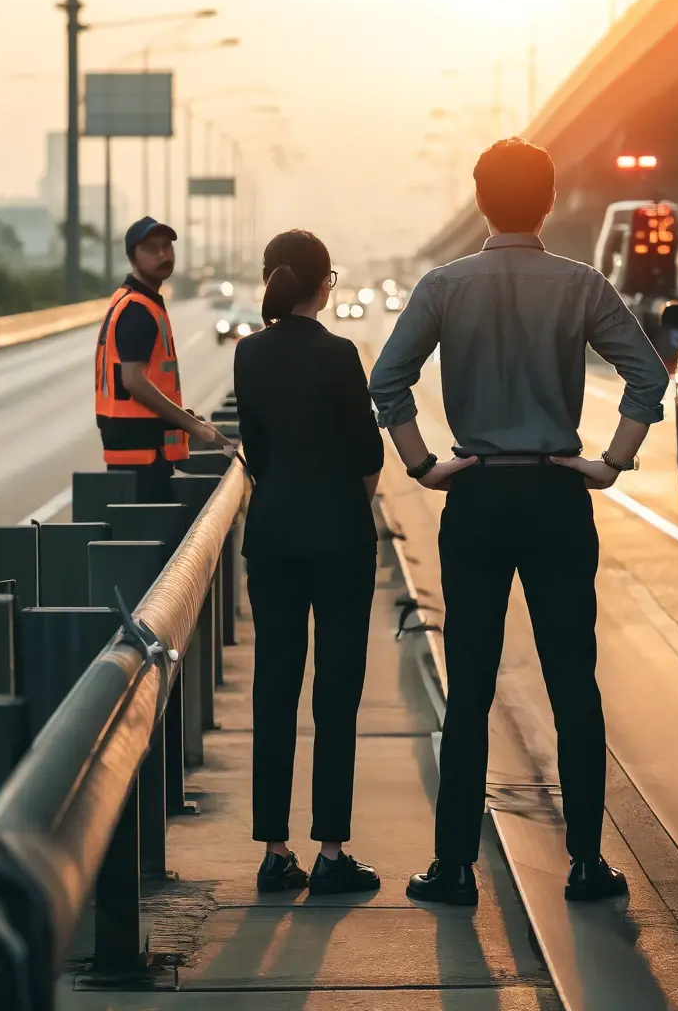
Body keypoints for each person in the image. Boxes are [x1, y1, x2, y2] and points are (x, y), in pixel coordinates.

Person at [369, 137, 670, 906]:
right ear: (547, 201)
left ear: (479, 199)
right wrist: (612, 462)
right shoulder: (581, 285)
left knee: (467, 684)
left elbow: (388, 381)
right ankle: (585, 865)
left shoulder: (444, 285)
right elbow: (647, 375)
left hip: (475, 497)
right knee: (574, 681)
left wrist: (422, 466)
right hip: (556, 497)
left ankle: (453, 869)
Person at [233, 229, 385, 895]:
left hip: (272, 538)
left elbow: (256, 454)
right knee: (336, 694)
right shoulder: (341, 353)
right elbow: (369, 455)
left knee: (275, 688)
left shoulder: (248, 354)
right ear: (325, 285)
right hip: (340, 538)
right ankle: (330, 853)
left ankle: (273, 850)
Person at [93, 216, 233, 503]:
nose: (163, 254)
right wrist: (192, 426)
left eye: (167, 246)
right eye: (151, 248)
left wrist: (185, 420)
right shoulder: (138, 309)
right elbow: (133, 380)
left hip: (142, 453)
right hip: (140, 459)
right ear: (133, 256)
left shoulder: (139, 300)